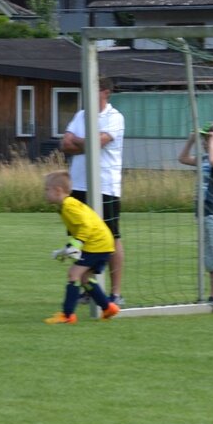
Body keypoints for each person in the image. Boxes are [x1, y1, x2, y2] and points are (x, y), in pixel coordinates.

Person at [60, 76, 126, 304]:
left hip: (105, 187)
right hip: (78, 185)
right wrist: (88, 143)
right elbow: (65, 144)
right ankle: (89, 289)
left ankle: (115, 294)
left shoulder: (115, 117)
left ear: (105, 92)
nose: (87, 92)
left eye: (93, 88)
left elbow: (96, 143)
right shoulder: (81, 115)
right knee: (81, 238)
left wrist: (84, 142)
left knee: (111, 238)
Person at [42, 170, 121, 325]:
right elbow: (80, 229)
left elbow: (86, 226)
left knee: (73, 274)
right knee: (85, 278)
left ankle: (67, 315)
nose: (45, 193)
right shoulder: (69, 204)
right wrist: (67, 249)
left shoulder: (69, 206)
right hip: (103, 244)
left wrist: (77, 244)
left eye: (46, 189)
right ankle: (108, 308)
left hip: (97, 245)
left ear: (57, 190)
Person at [178, 122, 213, 306]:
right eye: (204, 139)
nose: (205, 142)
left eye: (208, 138)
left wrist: (212, 142)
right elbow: (183, 158)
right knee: (211, 260)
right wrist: (191, 140)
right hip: (204, 214)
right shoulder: (204, 158)